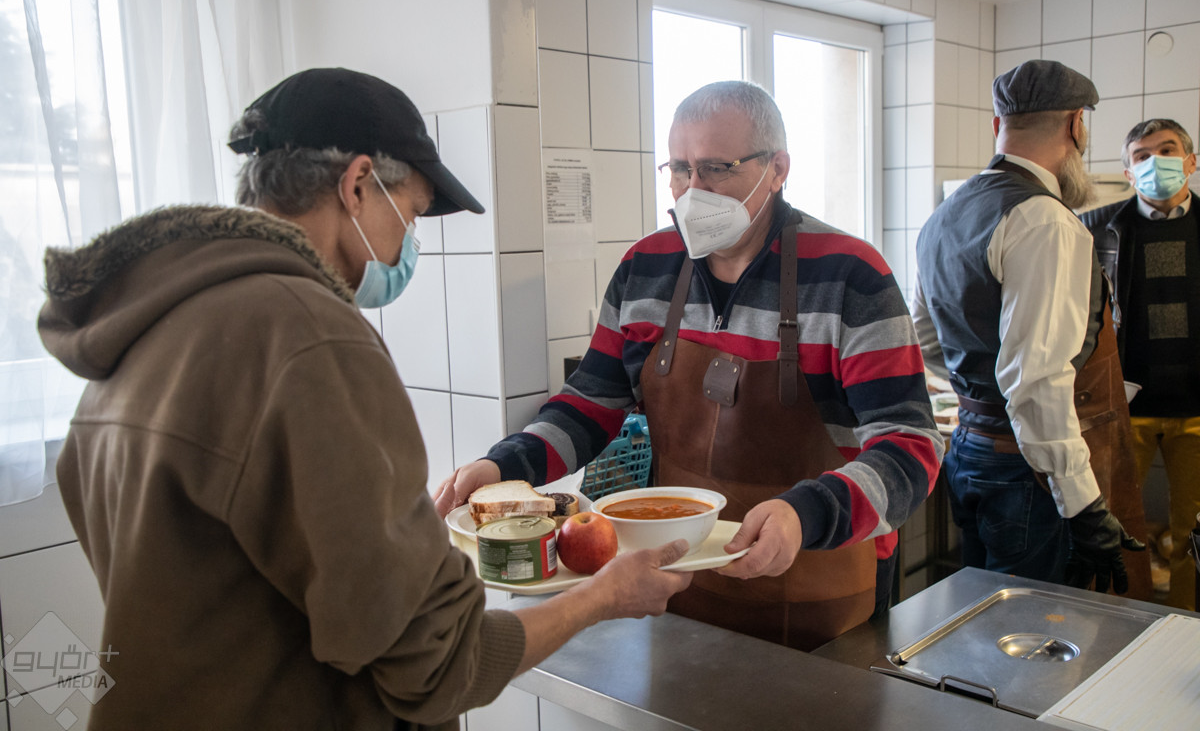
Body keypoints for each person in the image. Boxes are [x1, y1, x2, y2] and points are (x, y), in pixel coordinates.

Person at [37, 68, 692, 731]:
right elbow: (440, 664)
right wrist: (601, 597)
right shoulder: (308, 337)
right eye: (410, 213)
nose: (409, 242)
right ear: (356, 184)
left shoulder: (140, 326)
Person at [435, 80, 945, 652]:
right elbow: (589, 405)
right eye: (680, 169)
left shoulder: (850, 275)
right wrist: (504, 466)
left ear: (777, 169)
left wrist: (807, 515)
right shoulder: (645, 268)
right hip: (671, 582)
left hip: (821, 586)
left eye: (716, 169)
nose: (693, 190)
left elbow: (910, 446)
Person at [913, 59, 1148, 597]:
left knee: (983, 614)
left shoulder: (944, 215)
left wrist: (981, 391)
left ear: (998, 125)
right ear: (1076, 126)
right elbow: (1035, 381)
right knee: (1031, 626)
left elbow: (927, 340)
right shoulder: (1044, 220)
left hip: (969, 450)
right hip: (1026, 471)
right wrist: (1083, 505)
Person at [1079, 118, 1199, 610]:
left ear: (1190, 161)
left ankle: (1188, 626)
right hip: (1122, 407)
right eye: (1142, 156)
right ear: (1128, 173)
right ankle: (1119, 623)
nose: (1155, 163)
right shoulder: (1094, 229)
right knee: (1115, 524)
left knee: (1193, 531)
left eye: (1167, 151)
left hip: (1197, 408)